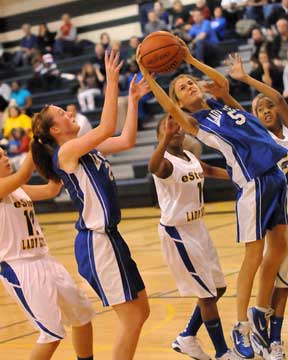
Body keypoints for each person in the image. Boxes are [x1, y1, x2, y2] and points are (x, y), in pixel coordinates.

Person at [137, 40, 288, 360]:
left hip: (275, 176)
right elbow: (169, 107)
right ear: (180, 100)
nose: (189, 84)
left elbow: (220, 83)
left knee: (280, 246)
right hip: (253, 183)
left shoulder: (223, 105)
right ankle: (240, 325)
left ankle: (261, 311)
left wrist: (191, 57)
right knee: (254, 255)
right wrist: (148, 75)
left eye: (190, 81)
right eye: (182, 86)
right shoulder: (198, 122)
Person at [30, 50, 151, 360]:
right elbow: (107, 127)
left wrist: (133, 101)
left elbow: (125, 141)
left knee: (141, 311)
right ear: (56, 131)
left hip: (111, 238)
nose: (70, 113)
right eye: (63, 114)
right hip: (97, 243)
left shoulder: (86, 149)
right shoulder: (66, 153)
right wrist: (112, 81)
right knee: (133, 317)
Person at [150, 114, 236, 360]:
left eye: (177, 128)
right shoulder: (164, 162)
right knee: (207, 294)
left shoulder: (188, 157)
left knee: (218, 287)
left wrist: (242, 176)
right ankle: (223, 352)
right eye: (167, 129)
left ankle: (187, 336)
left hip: (198, 227)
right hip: (178, 232)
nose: (175, 131)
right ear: (160, 136)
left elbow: (208, 170)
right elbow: (152, 167)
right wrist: (165, 138)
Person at [0, 150, 95, 360]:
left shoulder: (18, 189)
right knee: (51, 334)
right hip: (19, 267)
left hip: (45, 260)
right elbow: (24, 174)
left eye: (4, 153)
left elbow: (52, 189)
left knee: (82, 315)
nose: (5, 158)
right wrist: (37, 146)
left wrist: (55, 159)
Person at [227, 52, 288, 360]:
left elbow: (277, 95)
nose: (265, 111)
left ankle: (266, 328)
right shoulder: (258, 139)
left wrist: (246, 79)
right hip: (280, 211)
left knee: (286, 282)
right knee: (278, 276)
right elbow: (238, 113)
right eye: (258, 108)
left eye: (267, 108)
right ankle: (269, 333)